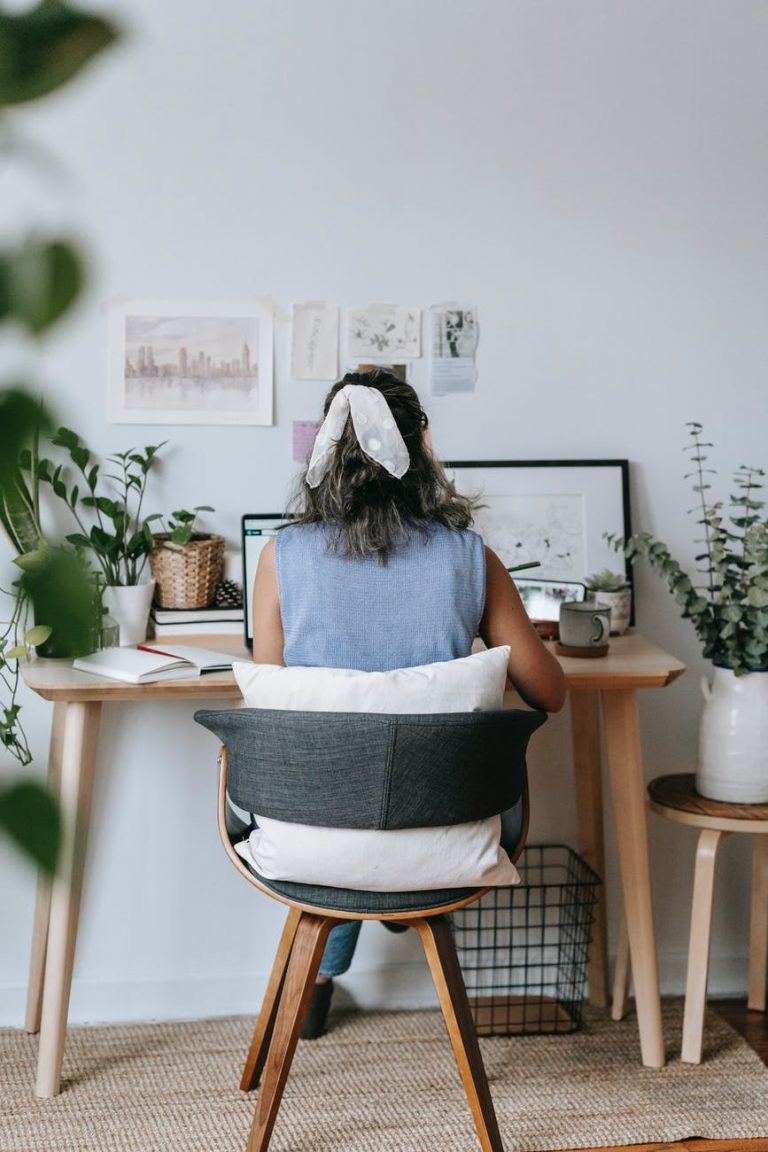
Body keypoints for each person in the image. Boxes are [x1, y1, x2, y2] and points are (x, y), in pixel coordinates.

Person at [251, 369, 566, 1038]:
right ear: (420, 444)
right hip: (444, 815)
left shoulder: (281, 558)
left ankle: (315, 979)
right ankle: (405, 897)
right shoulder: (470, 558)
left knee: (342, 797)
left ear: (330, 451)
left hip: (313, 827)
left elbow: (271, 704)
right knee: (409, 796)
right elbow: (551, 693)